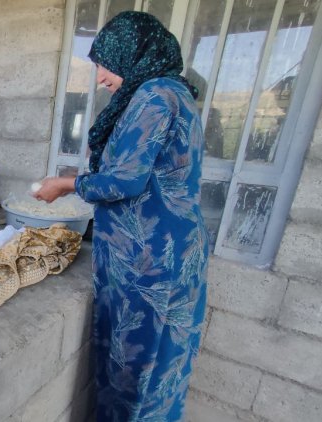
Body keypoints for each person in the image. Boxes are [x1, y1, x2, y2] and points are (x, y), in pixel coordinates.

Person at [33, 11, 209, 422]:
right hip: (170, 252)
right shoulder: (175, 93)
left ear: (130, 53)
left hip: (151, 261)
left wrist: (64, 185)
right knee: (161, 364)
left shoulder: (154, 96)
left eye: (103, 63)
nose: (100, 78)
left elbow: (124, 182)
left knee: (137, 369)